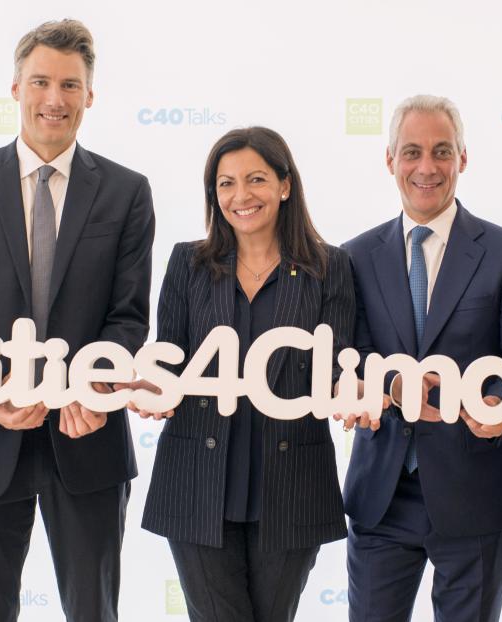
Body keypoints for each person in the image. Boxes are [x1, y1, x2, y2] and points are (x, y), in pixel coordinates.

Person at [0, 19, 155, 622]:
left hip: (88, 439)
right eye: (41, 82)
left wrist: (94, 391)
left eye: (70, 85)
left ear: (90, 95)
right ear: (15, 88)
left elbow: (128, 319)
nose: (55, 99)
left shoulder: (127, 192)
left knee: (94, 612)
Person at [128, 126, 352, 622]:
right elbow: (169, 356)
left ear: (285, 185)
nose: (241, 195)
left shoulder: (329, 268)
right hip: (196, 484)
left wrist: (352, 396)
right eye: (225, 183)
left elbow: (340, 366)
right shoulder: (188, 262)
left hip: (293, 488)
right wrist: (148, 388)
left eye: (256, 179)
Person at [339, 95, 502, 621]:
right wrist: (390, 389)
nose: (427, 167)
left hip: (476, 490)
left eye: (441, 151)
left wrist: (499, 408)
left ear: (462, 157)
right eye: (411, 152)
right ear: (390, 160)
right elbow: (352, 356)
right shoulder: (354, 256)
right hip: (382, 491)